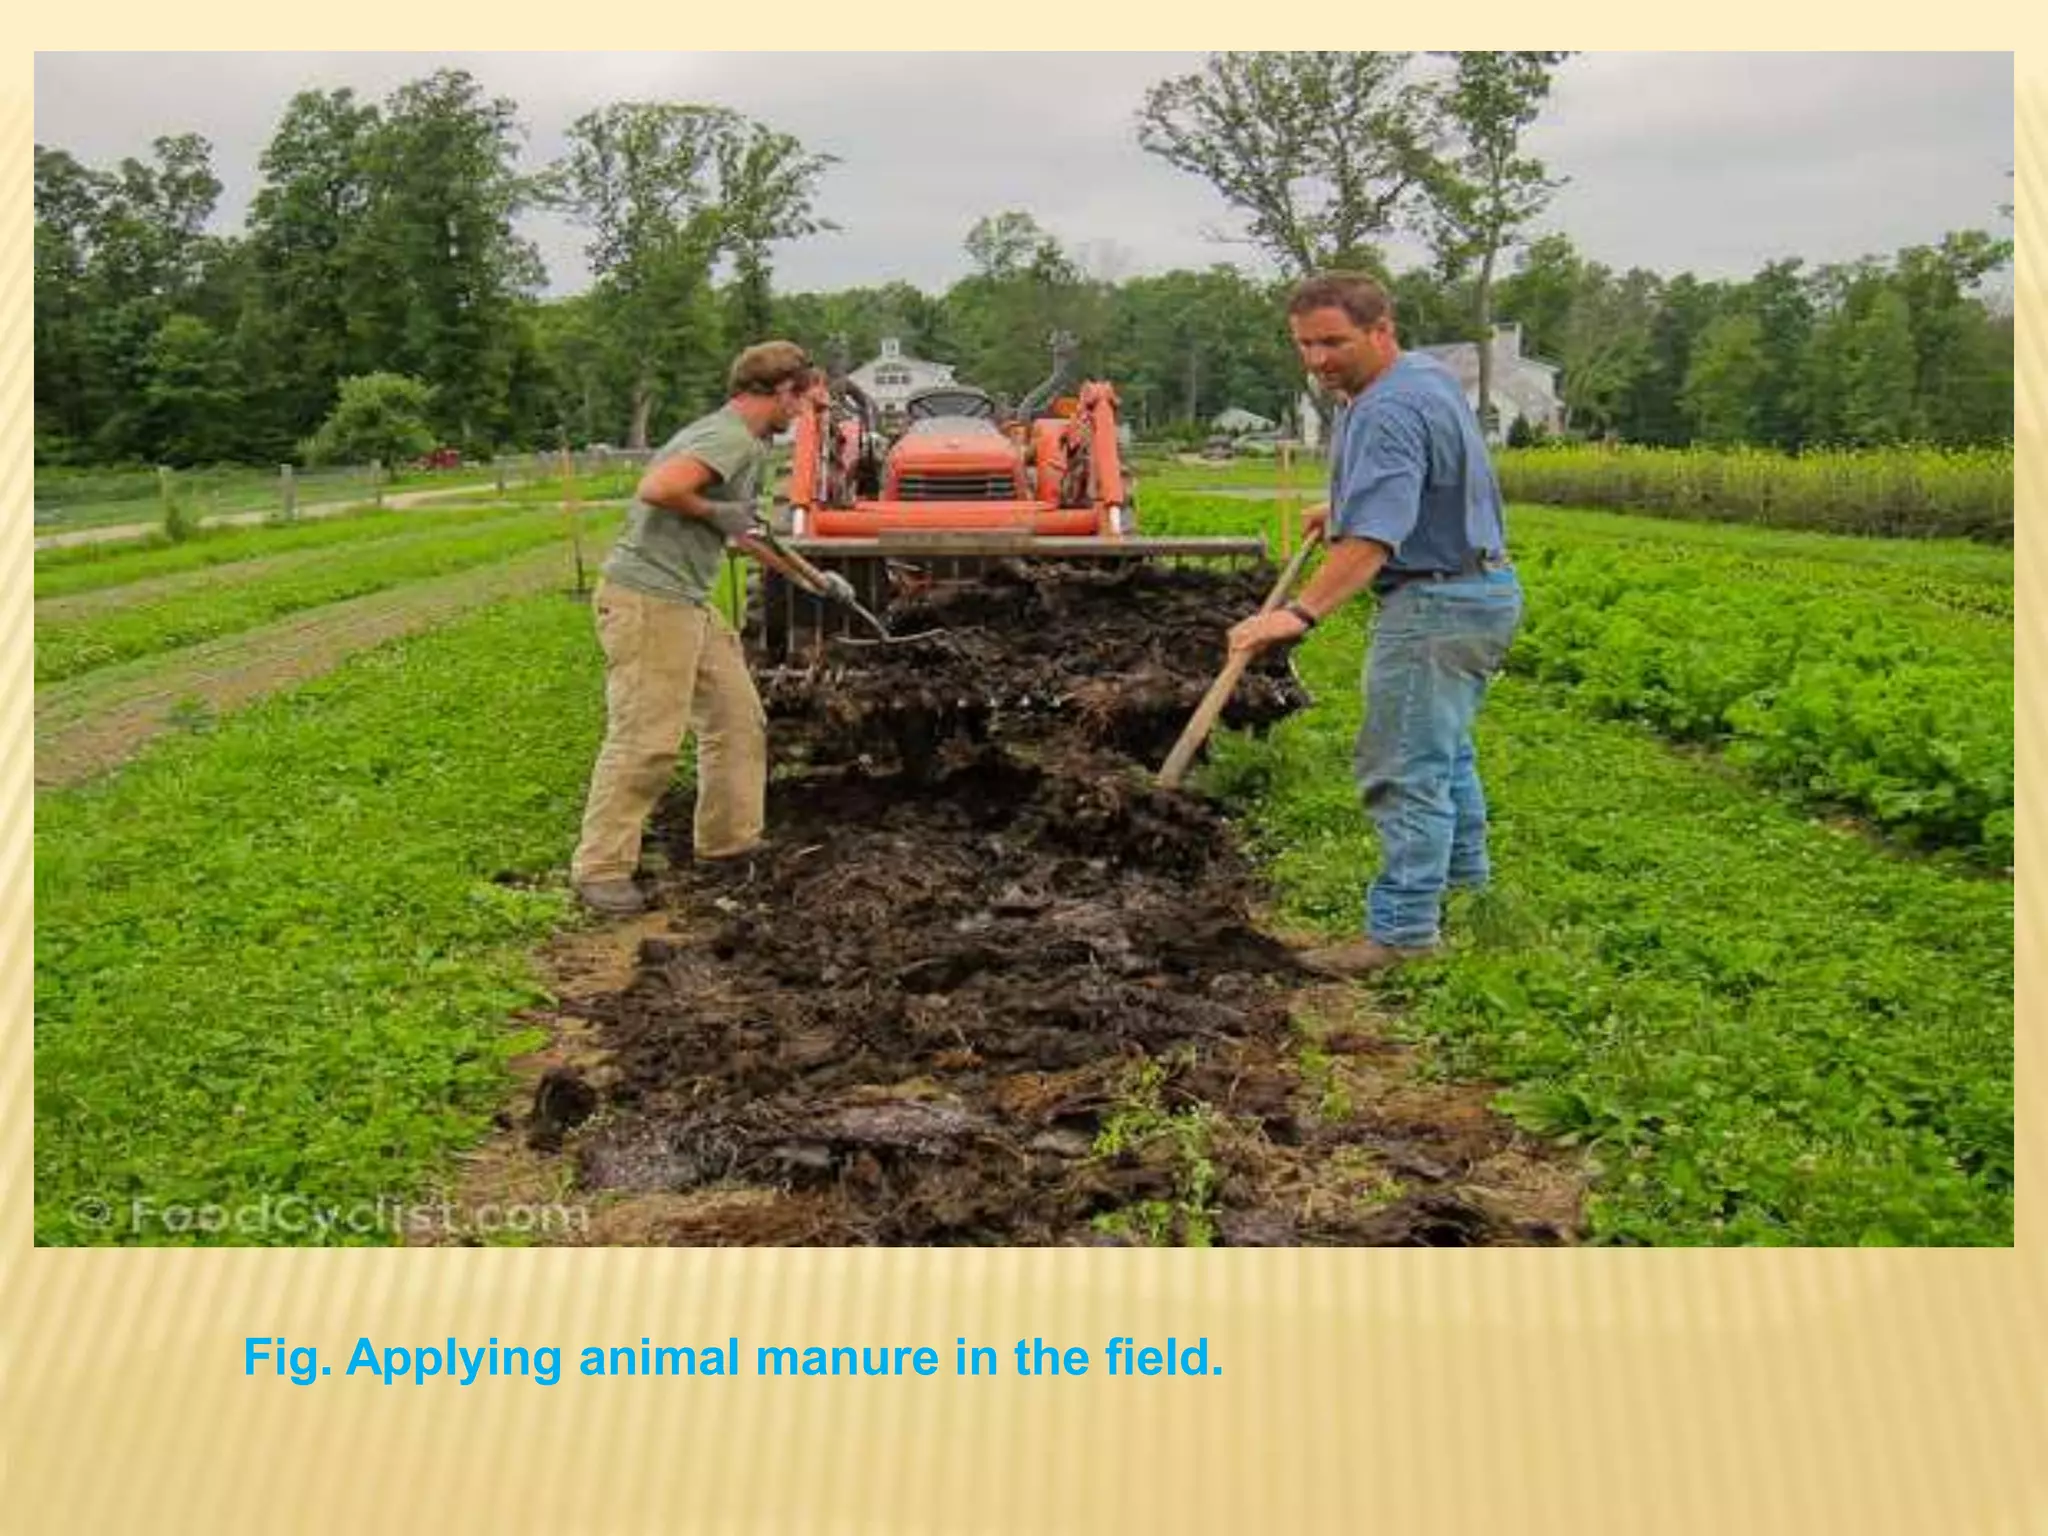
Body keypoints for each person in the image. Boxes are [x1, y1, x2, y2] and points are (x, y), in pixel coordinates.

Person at [1228, 273, 1525, 977]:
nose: (1319, 359)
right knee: (1442, 751)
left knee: (1401, 764)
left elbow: (1372, 545)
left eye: (1335, 341)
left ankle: (1401, 934)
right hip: (1483, 590)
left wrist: (1295, 614)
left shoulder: (1387, 411)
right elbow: (1427, 477)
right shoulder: (1424, 377)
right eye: (1306, 344)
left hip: (1434, 603)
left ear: (1381, 330)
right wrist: (1346, 505)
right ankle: (1466, 889)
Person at [569, 341, 815, 916]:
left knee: (736, 719)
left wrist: (814, 580)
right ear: (782, 391)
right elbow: (658, 488)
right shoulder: (726, 436)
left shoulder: (741, 443)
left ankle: (729, 845)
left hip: (688, 602)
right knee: (647, 737)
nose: (801, 414)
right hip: (649, 600)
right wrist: (711, 512)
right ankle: (600, 869)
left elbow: (748, 531)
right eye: (800, 401)